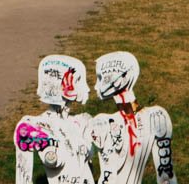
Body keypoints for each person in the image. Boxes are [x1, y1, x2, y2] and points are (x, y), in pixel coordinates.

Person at [88, 51, 178, 184]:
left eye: (101, 78)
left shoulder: (104, 122)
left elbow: (109, 175)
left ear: (118, 80)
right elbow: (166, 175)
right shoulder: (157, 117)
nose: (96, 85)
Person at [14, 55, 95, 184]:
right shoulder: (31, 127)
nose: (87, 88)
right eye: (79, 81)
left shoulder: (81, 122)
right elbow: (23, 178)